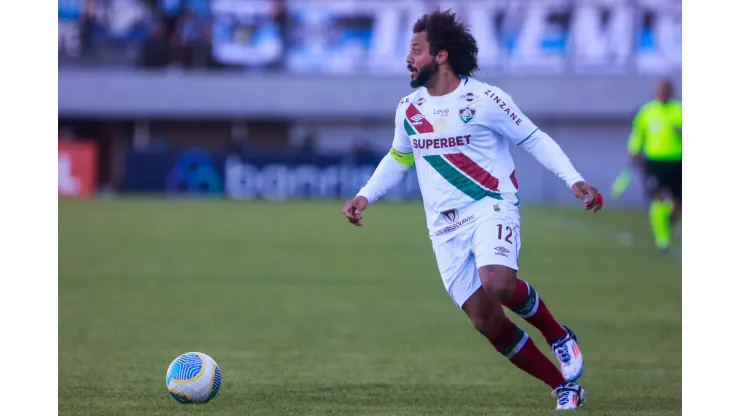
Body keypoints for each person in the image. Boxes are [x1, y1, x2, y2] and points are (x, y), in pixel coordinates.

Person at [341, 9, 603, 411]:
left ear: (441, 55)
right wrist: (365, 195)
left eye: (415, 50)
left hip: (490, 206)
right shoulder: (409, 110)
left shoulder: (485, 99)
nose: (407, 59)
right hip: (443, 230)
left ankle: (557, 335)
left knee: (497, 283)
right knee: (486, 320)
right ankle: (562, 386)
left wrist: (573, 178)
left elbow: (534, 138)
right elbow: (398, 157)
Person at [626, 80, 682, 252]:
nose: (663, 93)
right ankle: (662, 240)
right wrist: (633, 151)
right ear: (656, 91)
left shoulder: (679, 110)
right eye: (660, 90)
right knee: (657, 198)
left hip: (676, 161)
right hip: (654, 162)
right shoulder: (647, 111)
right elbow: (637, 134)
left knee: (677, 203)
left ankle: (668, 218)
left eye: (666, 90)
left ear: (672, 92)